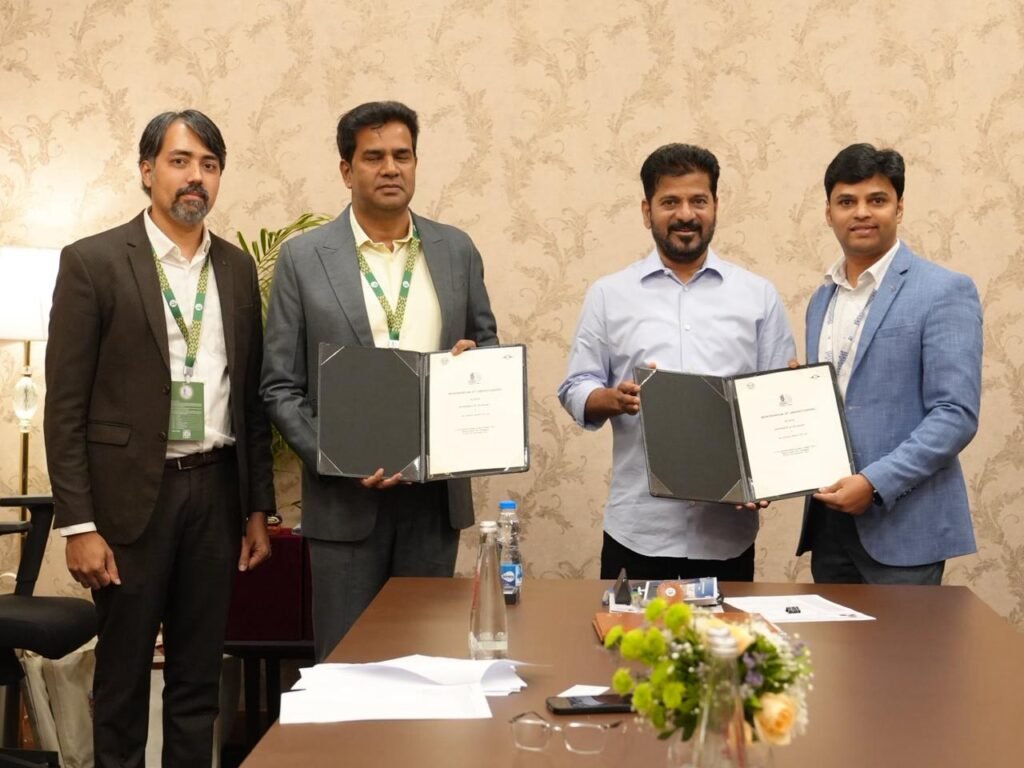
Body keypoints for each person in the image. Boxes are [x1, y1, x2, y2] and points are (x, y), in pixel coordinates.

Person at [43, 110, 275, 768]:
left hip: (216, 494)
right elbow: (66, 406)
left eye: (209, 164)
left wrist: (257, 508)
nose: (195, 176)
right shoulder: (93, 262)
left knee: (199, 681)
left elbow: (250, 397)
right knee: (121, 683)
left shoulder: (234, 268)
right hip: (128, 505)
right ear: (147, 172)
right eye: (180, 161)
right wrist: (78, 525)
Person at [261, 100, 498, 661]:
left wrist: (474, 365)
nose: (390, 168)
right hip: (346, 502)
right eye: (374, 157)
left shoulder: (456, 249)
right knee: (348, 666)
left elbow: (487, 347)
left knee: (427, 661)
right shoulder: (304, 258)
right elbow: (279, 386)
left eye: (402, 155)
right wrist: (337, 458)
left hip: (433, 500)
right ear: (347, 170)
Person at [557, 143, 796, 581]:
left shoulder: (758, 296)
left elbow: (777, 403)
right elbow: (575, 387)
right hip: (637, 531)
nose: (686, 214)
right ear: (647, 211)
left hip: (727, 535)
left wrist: (773, 474)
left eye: (698, 201)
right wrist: (611, 399)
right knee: (624, 631)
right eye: (670, 202)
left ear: (715, 206)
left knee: (728, 631)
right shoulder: (609, 295)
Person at [796, 143, 983, 584]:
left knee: (905, 636)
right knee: (832, 635)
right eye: (847, 202)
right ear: (828, 213)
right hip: (829, 525)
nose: (861, 212)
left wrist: (875, 483)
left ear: (899, 208)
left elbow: (955, 414)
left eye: (876, 200)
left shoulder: (943, 290)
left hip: (904, 525)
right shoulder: (821, 299)